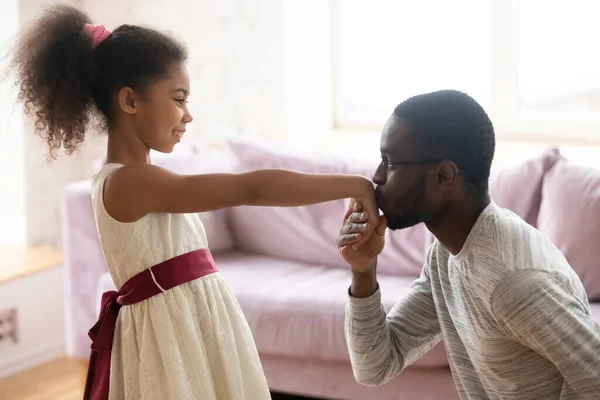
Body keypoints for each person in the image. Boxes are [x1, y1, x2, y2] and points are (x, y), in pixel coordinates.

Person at [9, 5, 379, 400]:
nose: (188, 116)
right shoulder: (131, 182)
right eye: (178, 99)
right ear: (130, 101)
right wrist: (354, 184)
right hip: (170, 341)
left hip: (192, 327)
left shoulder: (143, 180)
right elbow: (251, 189)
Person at [337, 90, 600, 399]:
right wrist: (363, 269)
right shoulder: (447, 254)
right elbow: (375, 366)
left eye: (390, 162)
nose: (377, 177)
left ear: (444, 176)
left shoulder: (513, 281)